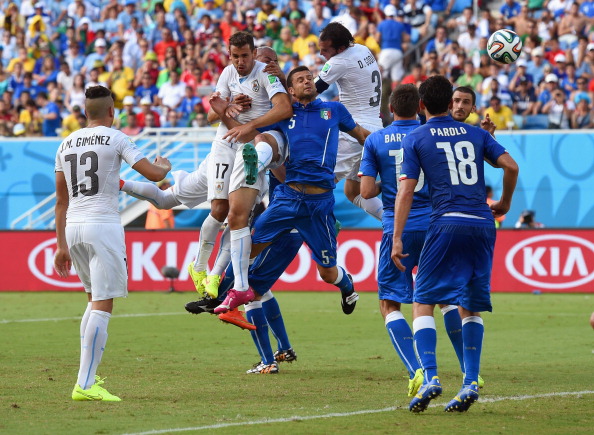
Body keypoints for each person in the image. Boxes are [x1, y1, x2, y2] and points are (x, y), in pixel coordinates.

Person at [391, 75, 518, 413]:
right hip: (482, 224)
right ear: (450, 103)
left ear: (421, 106)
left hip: (446, 222)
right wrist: (503, 203)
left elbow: (406, 191)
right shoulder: (477, 134)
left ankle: (431, 376)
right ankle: (471, 381)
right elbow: (511, 166)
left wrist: (397, 236)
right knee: (470, 305)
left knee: (422, 300)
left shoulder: (416, 136)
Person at [214, 66, 369, 320]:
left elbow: (362, 135)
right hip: (288, 198)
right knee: (248, 248)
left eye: (309, 78)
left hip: (319, 204)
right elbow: (252, 134)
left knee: (328, 273)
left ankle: (347, 286)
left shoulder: (334, 110)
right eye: (300, 80)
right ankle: (220, 294)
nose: (307, 82)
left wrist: (386, 147)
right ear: (290, 90)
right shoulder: (285, 114)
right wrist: (223, 115)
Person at [53, 85, 171, 402]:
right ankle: (86, 384)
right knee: (104, 304)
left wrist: (60, 245)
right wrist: (165, 166)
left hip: (74, 228)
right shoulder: (116, 137)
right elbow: (152, 174)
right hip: (102, 226)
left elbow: (60, 202)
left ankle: (86, 377)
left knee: (93, 300)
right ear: (111, 112)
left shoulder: (65, 143)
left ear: (86, 112)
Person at [188, 32, 292, 305]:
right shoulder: (227, 73)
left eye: (245, 55)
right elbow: (213, 112)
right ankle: (199, 266)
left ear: (253, 52)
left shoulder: (267, 76)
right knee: (219, 209)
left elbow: (284, 109)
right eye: (235, 56)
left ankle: (218, 277)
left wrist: (250, 124)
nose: (240, 61)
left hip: (252, 148)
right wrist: (229, 106)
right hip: (226, 143)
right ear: (229, 54)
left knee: (238, 214)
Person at [316, 22, 385, 222]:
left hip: (354, 132)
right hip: (373, 129)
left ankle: (321, 227)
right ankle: (395, 223)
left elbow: (310, 91)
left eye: (325, 50)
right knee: (353, 191)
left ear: (340, 48)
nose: (322, 54)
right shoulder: (362, 49)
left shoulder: (339, 61)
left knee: (318, 181)